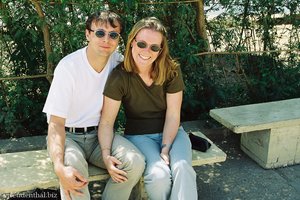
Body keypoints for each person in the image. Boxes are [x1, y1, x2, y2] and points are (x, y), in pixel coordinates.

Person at [43, 10, 145, 200]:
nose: (106, 39)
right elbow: (55, 123)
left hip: (101, 135)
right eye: (100, 33)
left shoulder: (119, 62)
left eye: (113, 35)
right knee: (72, 173)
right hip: (69, 136)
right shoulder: (69, 67)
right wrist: (58, 166)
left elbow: (146, 71)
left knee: (135, 163)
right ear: (88, 34)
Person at [98, 17, 198, 200]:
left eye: (154, 47)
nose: (147, 51)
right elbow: (106, 121)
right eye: (142, 44)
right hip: (139, 135)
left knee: (182, 168)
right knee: (158, 176)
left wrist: (165, 150)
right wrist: (105, 153)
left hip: (173, 131)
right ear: (131, 43)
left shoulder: (171, 71)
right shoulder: (119, 77)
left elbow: (173, 114)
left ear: (160, 51)